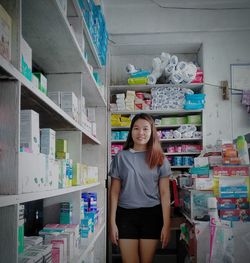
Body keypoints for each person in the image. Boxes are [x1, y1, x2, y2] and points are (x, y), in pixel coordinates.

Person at [109, 113, 172, 263]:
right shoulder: (121, 157)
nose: (141, 133)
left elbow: (164, 194)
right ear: (131, 132)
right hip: (125, 215)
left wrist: (166, 225)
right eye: (136, 128)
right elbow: (114, 192)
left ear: (152, 132)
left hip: (152, 215)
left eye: (145, 129)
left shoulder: (159, 158)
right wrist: (112, 223)